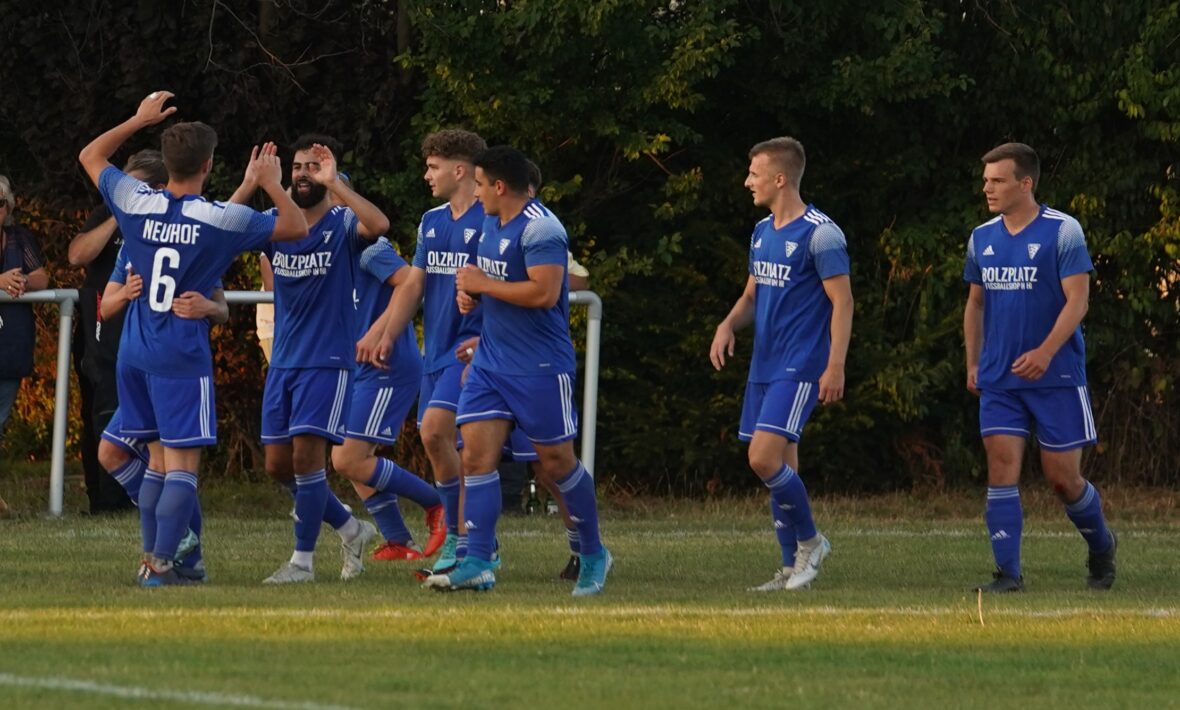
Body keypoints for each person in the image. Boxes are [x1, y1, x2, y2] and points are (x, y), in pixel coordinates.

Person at [78, 91, 308, 586]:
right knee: (181, 469)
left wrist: (137, 119)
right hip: (179, 355)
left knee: (157, 465)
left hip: (134, 351)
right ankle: (159, 563)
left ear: (166, 164)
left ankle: (166, 560)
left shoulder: (137, 202)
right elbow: (295, 226)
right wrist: (270, 183)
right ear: (208, 165)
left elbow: (91, 155)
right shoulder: (218, 218)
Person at [427, 145, 611, 596]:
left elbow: (545, 293)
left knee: (556, 462)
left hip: (540, 366)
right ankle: (477, 561)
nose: (476, 192)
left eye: (480, 184)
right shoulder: (491, 223)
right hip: (491, 361)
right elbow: (490, 280)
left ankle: (593, 554)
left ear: (499, 186)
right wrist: (471, 295)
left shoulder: (543, 228)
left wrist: (483, 285)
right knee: (475, 457)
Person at [231, 135, 390, 584]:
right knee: (278, 466)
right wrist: (250, 183)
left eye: (312, 167)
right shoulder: (277, 223)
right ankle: (351, 528)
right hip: (284, 360)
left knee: (306, 458)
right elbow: (220, 230)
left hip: (328, 359)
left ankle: (302, 562)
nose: (303, 174)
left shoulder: (343, 222)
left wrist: (335, 183)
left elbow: (379, 224)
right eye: (298, 166)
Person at [964, 142, 1115, 593]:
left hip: (1057, 376)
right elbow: (975, 304)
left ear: (1025, 183)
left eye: (997, 180)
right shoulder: (981, 237)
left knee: (1062, 480)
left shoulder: (1063, 231)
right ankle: (1008, 574)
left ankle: (1102, 545)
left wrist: (1046, 351)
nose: (987, 188)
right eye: (986, 180)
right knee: (1001, 467)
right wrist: (973, 361)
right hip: (1000, 378)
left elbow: (1078, 301)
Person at [709, 137, 852, 592]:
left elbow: (843, 301)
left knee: (763, 458)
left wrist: (835, 365)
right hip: (765, 365)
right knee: (782, 466)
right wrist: (727, 324)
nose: (747, 181)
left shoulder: (821, 234)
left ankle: (812, 542)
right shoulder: (761, 232)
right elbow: (752, 295)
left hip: (801, 364)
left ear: (779, 178)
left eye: (754, 173)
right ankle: (792, 567)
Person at [363, 129, 490, 576]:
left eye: (434, 167)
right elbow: (414, 283)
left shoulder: (490, 220)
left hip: (470, 351)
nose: (427, 175)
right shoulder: (432, 221)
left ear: (461, 170)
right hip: (434, 351)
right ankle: (465, 535)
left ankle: (466, 537)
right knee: (438, 442)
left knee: (439, 432)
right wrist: (388, 333)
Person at [98, 245, 230, 582]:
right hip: (141, 368)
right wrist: (126, 292)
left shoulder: (197, 239)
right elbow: (106, 307)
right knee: (114, 452)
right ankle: (173, 541)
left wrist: (208, 307)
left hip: (176, 369)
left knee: (172, 465)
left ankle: (176, 559)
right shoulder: (134, 243)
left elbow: (222, 309)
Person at [69, 150, 169, 514]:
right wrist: (117, 213)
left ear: (158, 188)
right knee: (100, 412)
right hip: (101, 332)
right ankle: (104, 501)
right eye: (121, 185)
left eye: (135, 186)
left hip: (150, 336)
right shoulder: (108, 213)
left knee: (147, 418)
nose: (124, 191)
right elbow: (77, 255)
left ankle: (146, 496)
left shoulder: (168, 220)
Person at [0, 175, 50, 447]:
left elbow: (42, 277)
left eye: (0, 203)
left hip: (10, 348)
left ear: (8, 207)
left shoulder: (19, 238)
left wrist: (24, 281)